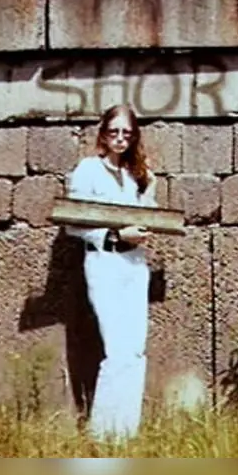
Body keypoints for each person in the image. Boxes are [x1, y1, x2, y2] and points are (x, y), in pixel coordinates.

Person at [64, 104, 158, 443]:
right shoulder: (88, 169)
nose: (120, 139)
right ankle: (103, 435)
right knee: (117, 350)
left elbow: (150, 217)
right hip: (104, 261)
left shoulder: (139, 173)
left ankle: (126, 434)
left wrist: (148, 189)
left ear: (134, 137)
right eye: (114, 132)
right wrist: (115, 234)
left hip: (135, 264)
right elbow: (73, 224)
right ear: (103, 133)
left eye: (127, 133)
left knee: (135, 351)